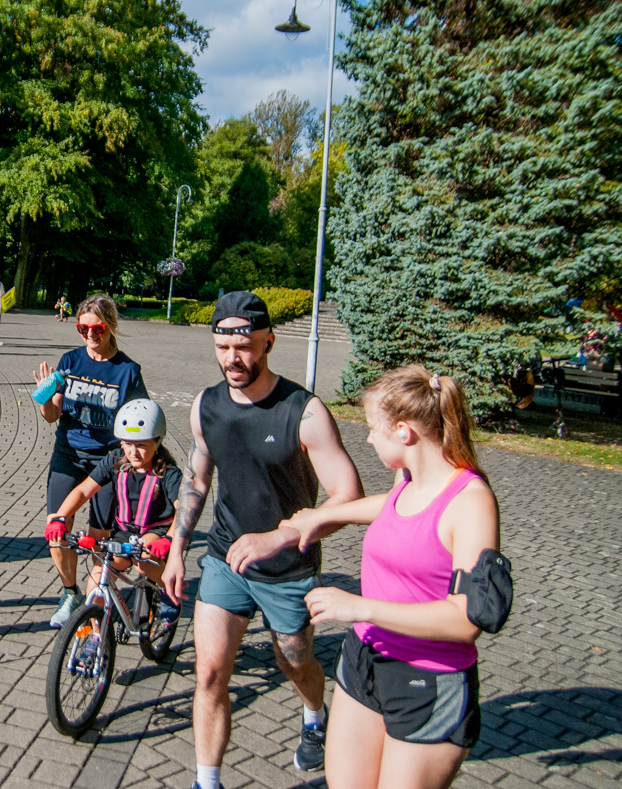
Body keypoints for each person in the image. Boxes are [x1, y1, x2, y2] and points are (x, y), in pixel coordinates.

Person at [158, 290, 364, 787]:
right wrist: (177, 547)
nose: (234, 359)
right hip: (226, 560)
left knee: (294, 661)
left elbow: (348, 496)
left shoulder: (303, 411)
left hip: (287, 567)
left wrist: (280, 536)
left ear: (269, 341)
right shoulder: (206, 405)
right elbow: (197, 478)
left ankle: (315, 716)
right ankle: (206, 781)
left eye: (246, 346)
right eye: (224, 348)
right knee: (208, 674)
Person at [279, 366, 504, 789]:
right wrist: (323, 516)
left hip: (427, 681)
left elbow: (467, 621)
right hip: (363, 661)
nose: (367, 438)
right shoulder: (410, 479)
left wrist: (359, 606)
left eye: (371, 429)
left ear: (404, 432)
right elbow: (394, 506)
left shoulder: (471, 501)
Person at [32, 293, 148, 627]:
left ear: (110, 326)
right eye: (83, 328)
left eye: (96, 328)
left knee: (99, 538)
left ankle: (96, 596)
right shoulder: (70, 361)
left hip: (109, 462)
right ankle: (70, 593)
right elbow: (52, 415)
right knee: (57, 527)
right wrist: (43, 398)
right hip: (68, 455)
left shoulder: (127, 371)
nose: (90, 335)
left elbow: (139, 420)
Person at [44, 398, 182, 632]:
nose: (133, 452)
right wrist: (60, 517)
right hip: (123, 531)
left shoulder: (167, 472)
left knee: (144, 560)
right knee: (97, 580)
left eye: (142, 445)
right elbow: (84, 489)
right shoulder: (116, 460)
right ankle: (95, 638)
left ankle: (167, 590)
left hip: (154, 532)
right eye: (128, 444)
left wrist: (169, 539)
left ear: (157, 441)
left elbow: (184, 511)